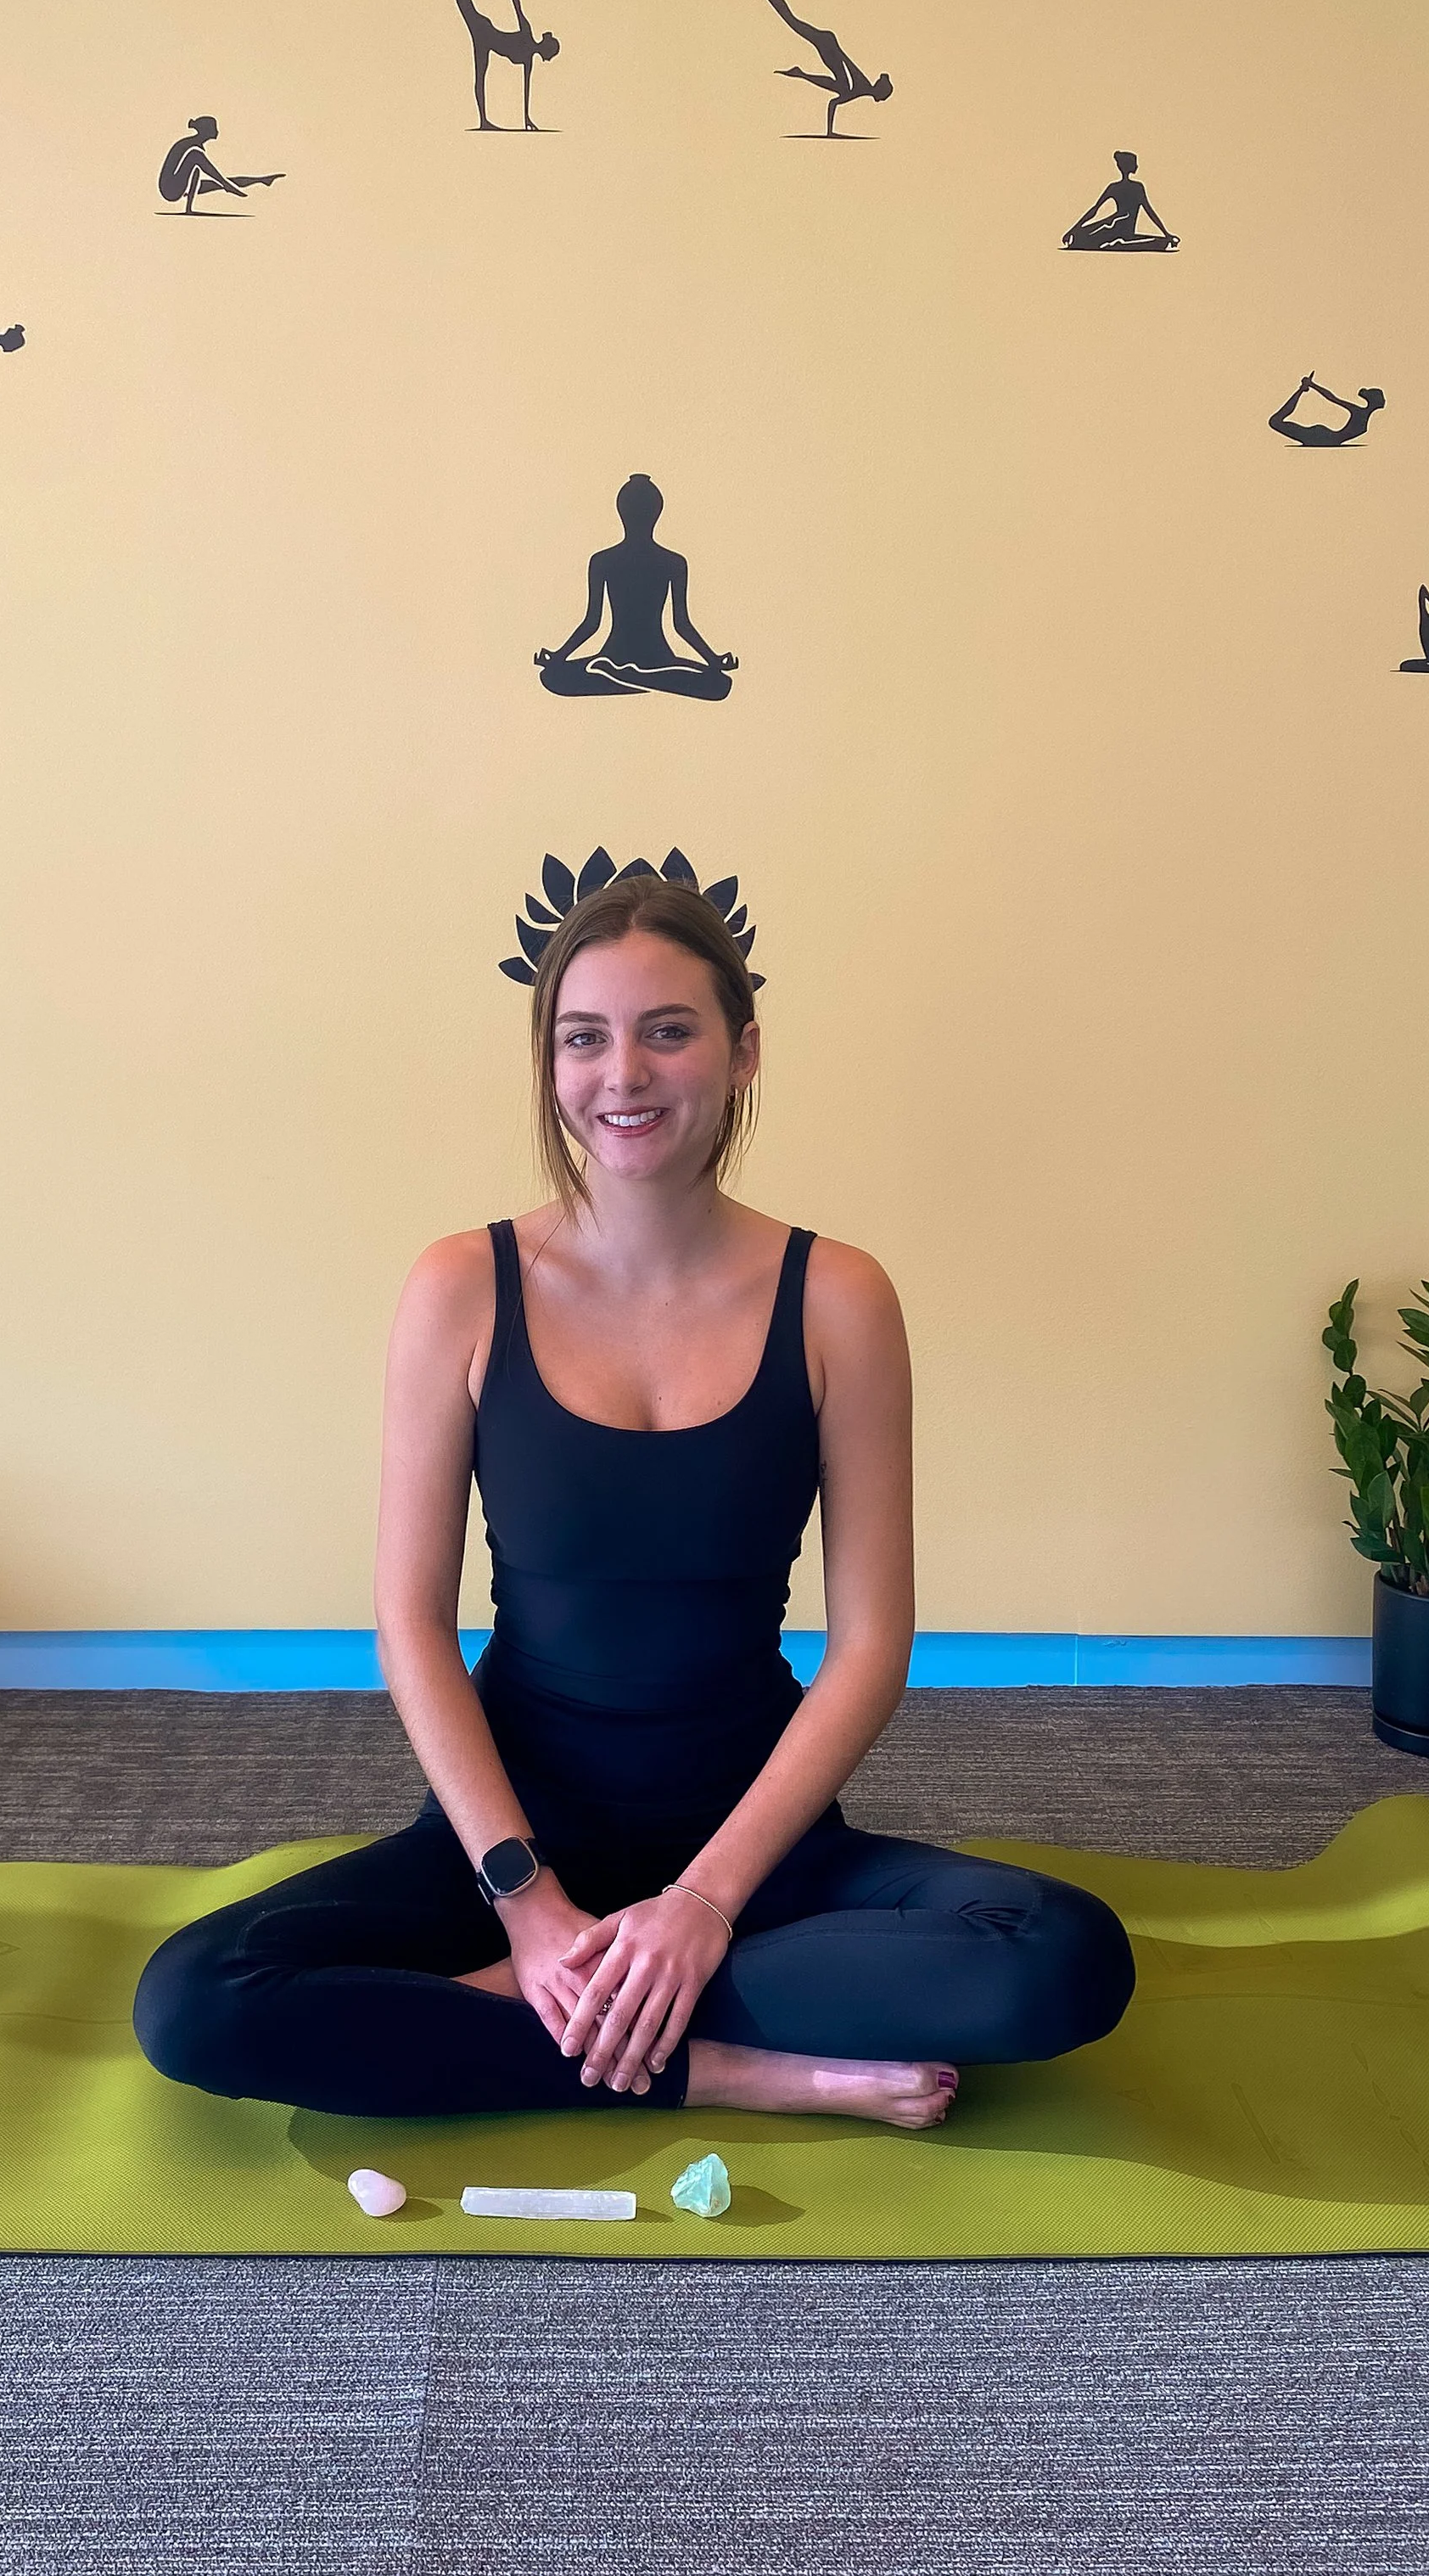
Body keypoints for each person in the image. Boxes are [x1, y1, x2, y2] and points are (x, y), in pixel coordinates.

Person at [132, 872, 1137, 2125]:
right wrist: (528, 1902)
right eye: (585, 1036)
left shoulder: (839, 1298)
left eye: (670, 1028)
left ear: (742, 1050)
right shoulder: (462, 1285)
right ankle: (714, 2063)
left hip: (754, 1846)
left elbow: (872, 1645)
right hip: (511, 1837)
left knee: (1065, 1954)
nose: (626, 1074)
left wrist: (704, 1907)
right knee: (193, 1997)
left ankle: (518, 2011)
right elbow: (410, 1625)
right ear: (549, 1060)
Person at [535, 474, 738, 699]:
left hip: (625, 658)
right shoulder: (666, 562)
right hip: (651, 660)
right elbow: (681, 625)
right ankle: (643, 677)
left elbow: (592, 623)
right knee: (718, 684)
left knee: (554, 676)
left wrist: (559, 658)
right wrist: (713, 661)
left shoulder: (614, 561)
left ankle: (625, 676)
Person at [734, 0, 892, 137]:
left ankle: (801, 74)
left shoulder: (860, 88)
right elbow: (836, 95)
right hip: (829, 46)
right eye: (883, 96)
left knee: (794, 22)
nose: (881, 100)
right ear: (879, 94)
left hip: (830, 46)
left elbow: (835, 92)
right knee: (792, 21)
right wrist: (830, 132)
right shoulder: (861, 87)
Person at [455, 0, 559, 132]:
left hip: (485, 41)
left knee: (480, 78)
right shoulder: (527, 36)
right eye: (550, 56)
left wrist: (527, 118)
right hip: (483, 31)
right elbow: (518, 7)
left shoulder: (528, 58)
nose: (549, 60)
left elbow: (526, 90)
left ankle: (484, 121)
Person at [156, 117, 284, 213]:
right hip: (170, 190)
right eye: (214, 128)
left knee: (220, 180)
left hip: (179, 186)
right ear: (206, 131)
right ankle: (225, 185)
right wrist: (223, 182)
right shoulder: (191, 146)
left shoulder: (194, 145)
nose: (217, 131)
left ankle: (260, 180)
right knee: (195, 157)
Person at [1062, 150, 1178, 250]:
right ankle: (1115, 242)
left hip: (1125, 232)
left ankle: (1117, 242)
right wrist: (1073, 229)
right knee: (1080, 238)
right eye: (1135, 163)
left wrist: (1166, 233)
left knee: (1161, 242)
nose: (1137, 166)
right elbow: (1094, 210)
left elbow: (1149, 211)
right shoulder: (1123, 187)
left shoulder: (1135, 187)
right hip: (1114, 229)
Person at [1268, 373, 1385, 447]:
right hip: (1321, 436)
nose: (1384, 401)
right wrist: (1312, 385)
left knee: (1275, 422)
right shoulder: (1359, 413)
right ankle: (1300, 391)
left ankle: (1301, 390)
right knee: (1275, 422)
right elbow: (1332, 398)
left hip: (1324, 437)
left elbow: (1332, 398)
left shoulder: (1360, 413)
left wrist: (1312, 385)